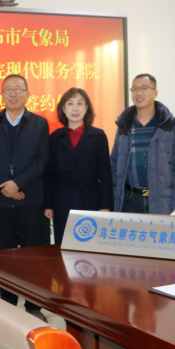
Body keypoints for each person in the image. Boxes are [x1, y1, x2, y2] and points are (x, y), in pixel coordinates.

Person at [0, 74, 49, 322]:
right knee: (5, 256)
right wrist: (5, 186)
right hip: (0, 202)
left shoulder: (39, 123)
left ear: (27, 94)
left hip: (30, 200)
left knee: (31, 257)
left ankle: (32, 305)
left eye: (18, 89)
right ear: (2, 94)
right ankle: (7, 304)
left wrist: (18, 183)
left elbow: (42, 160)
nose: (13, 94)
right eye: (8, 89)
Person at [111, 74, 175, 215]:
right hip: (129, 202)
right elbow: (115, 166)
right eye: (134, 89)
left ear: (155, 93)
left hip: (161, 202)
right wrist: (112, 201)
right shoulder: (124, 125)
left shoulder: (170, 125)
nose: (138, 93)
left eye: (144, 88)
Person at [44, 88, 113, 244]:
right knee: (65, 245)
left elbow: (105, 173)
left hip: (90, 199)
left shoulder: (98, 135)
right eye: (70, 104)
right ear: (63, 108)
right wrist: (48, 204)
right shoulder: (55, 137)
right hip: (62, 200)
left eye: (80, 104)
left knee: (91, 246)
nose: (75, 108)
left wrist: (105, 205)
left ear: (86, 107)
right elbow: (49, 174)